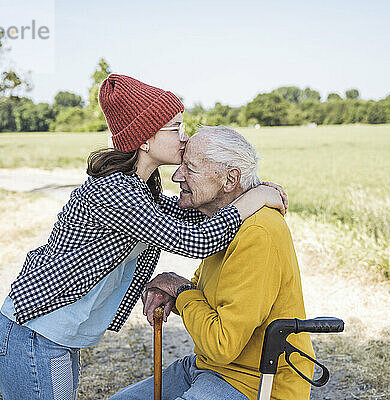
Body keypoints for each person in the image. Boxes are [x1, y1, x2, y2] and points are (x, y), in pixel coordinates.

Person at [0, 75, 287, 400]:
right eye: (175, 128)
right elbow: (195, 240)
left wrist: (247, 188)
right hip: (32, 334)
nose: (184, 138)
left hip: (52, 338)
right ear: (144, 138)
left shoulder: (139, 191)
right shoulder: (116, 192)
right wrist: (252, 201)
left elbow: (190, 213)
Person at [110, 126, 315, 400]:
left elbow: (221, 344)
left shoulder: (258, 233)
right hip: (210, 368)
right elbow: (208, 295)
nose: (176, 175)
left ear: (230, 180)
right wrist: (174, 289)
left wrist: (180, 290)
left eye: (190, 169)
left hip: (254, 382)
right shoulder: (225, 221)